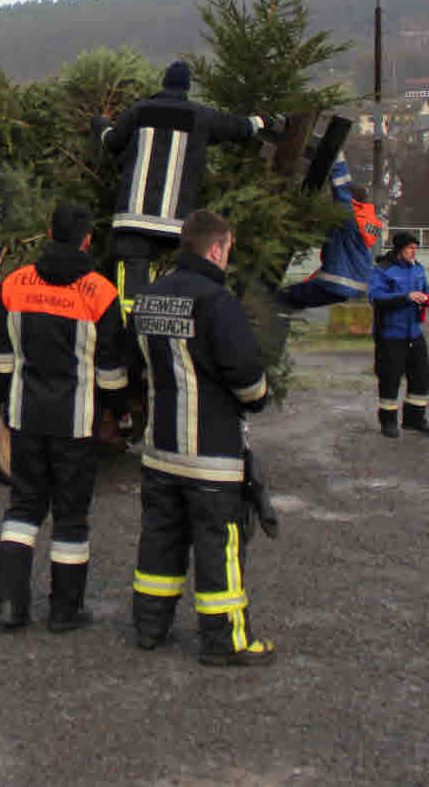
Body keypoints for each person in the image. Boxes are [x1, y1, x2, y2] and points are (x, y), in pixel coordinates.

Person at [130, 209, 275, 666]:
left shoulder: (147, 298)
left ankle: (149, 627)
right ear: (215, 249)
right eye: (227, 249)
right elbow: (247, 378)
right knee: (218, 546)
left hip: (160, 450)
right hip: (211, 455)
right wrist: (258, 398)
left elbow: (134, 363)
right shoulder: (217, 301)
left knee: (160, 538)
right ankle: (225, 641)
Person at [0, 202, 131, 633]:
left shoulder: (15, 284)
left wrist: (6, 402)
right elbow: (110, 371)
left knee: (23, 507)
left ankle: (11, 605)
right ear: (86, 241)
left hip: (25, 415)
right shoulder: (101, 294)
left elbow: (2, 359)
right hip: (76, 422)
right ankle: (64, 612)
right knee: (70, 515)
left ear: (49, 234)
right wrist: (120, 412)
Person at [92, 61, 269, 305]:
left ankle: (131, 324)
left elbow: (112, 142)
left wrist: (100, 123)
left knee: (131, 291)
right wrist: (262, 121)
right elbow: (239, 127)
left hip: (133, 219)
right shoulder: (201, 115)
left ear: (164, 83)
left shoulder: (140, 111)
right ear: (186, 88)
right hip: (177, 226)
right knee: (172, 286)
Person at [278, 153, 383, 309]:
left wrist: (337, 154)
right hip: (354, 285)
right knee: (294, 302)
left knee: (280, 298)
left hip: (335, 281)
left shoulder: (349, 214)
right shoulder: (371, 222)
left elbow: (341, 185)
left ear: (353, 200)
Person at [369, 232, 429, 438]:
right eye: (410, 248)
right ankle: (388, 422)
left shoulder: (418, 268)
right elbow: (376, 298)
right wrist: (405, 297)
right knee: (390, 379)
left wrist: (426, 298)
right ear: (399, 249)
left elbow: (426, 291)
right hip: (391, 334)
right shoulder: (382, 270)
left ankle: (414, 420)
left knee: (421, 378)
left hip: (414, 333)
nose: (414, 251)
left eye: (416, 248)